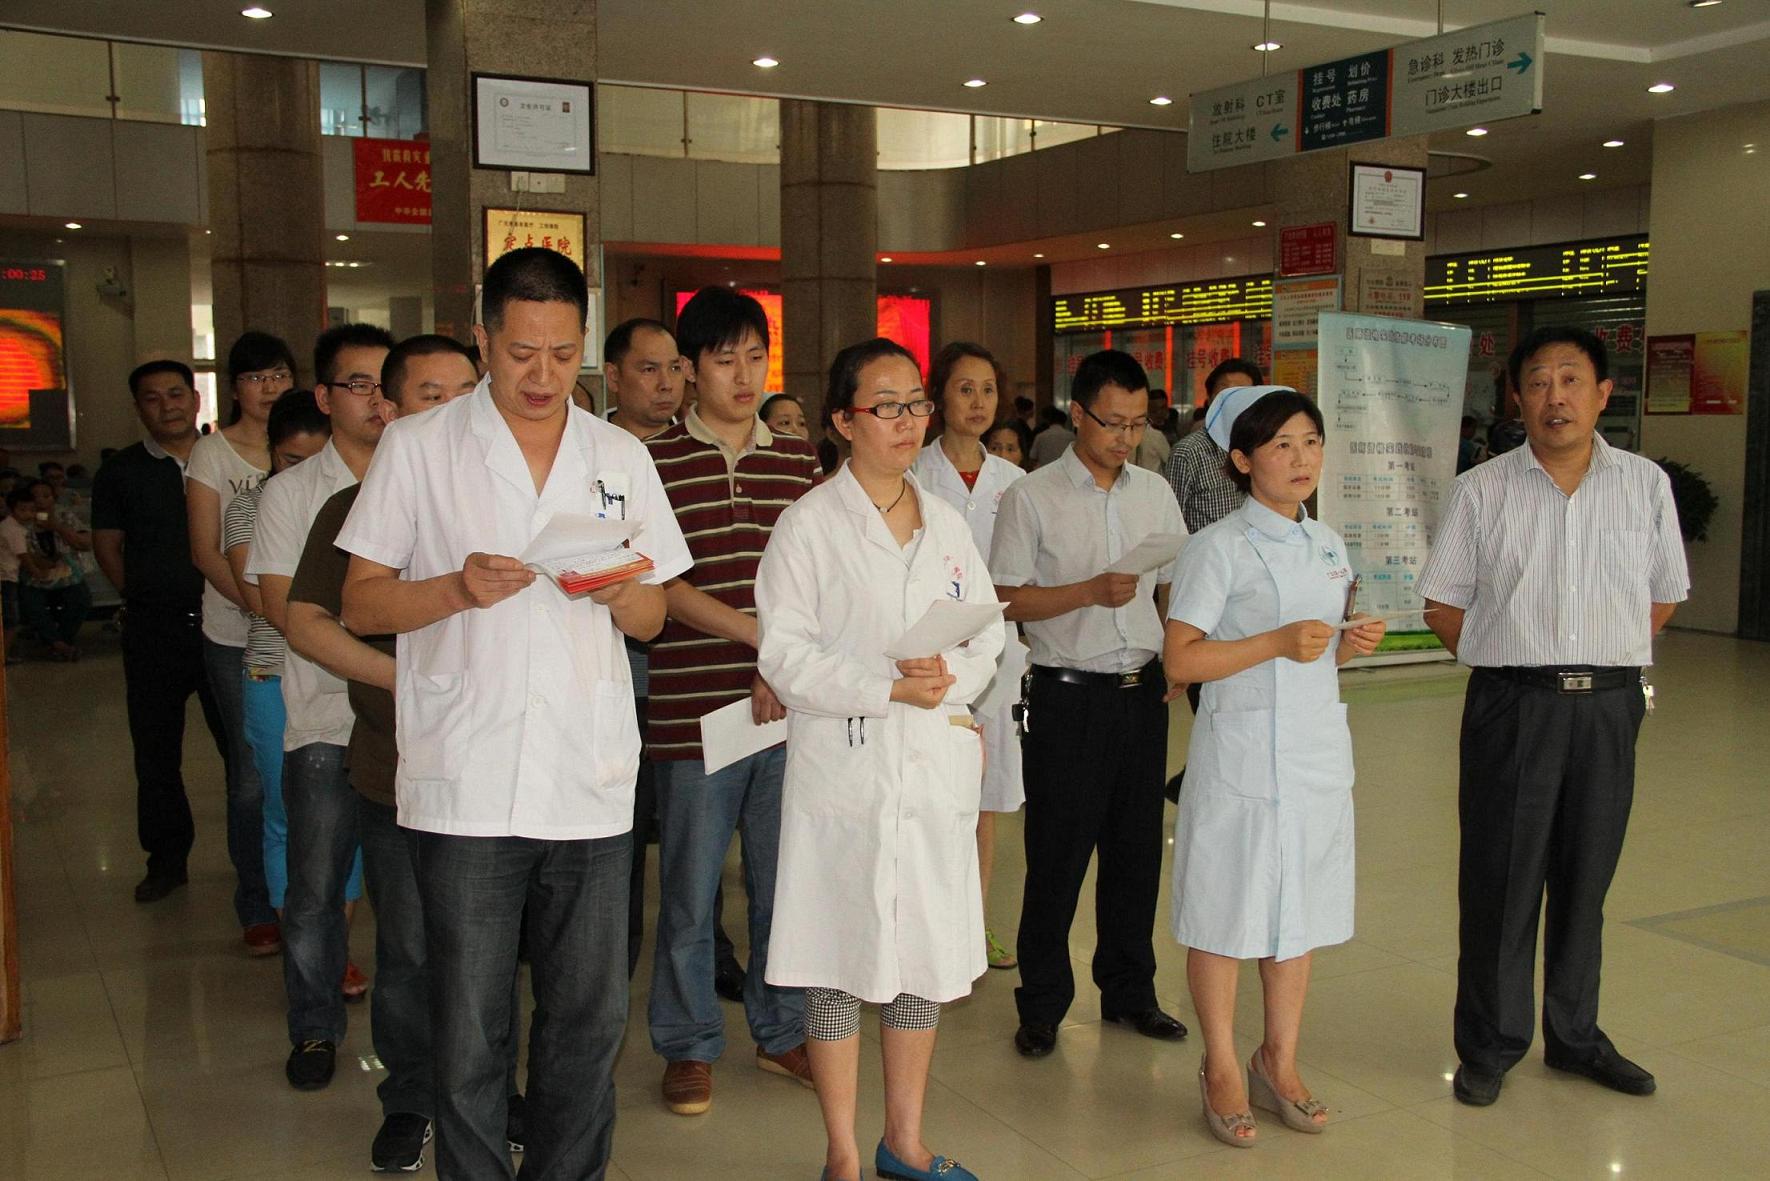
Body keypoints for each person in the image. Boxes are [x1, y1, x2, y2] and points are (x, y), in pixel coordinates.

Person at [337, 248, 692, 1179]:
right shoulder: (420, 447)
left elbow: (655, 613)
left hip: (588, 777)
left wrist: (618, 591)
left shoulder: (618, 455)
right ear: (483, 336)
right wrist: (455, 587)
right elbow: (362, 603)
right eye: (521, 352)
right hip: (470, 779)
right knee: (468, 1026)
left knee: (587, 1021)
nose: (542, 375)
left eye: (562, 354)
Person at [1418, 326, 1689, 1109]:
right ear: (1517, 396)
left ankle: (1575, 1034)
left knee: (1586, 875)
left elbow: (1663, 594)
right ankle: (1491, 1042)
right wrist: (1510, 657)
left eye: (1572, 380)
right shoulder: (1483, 489)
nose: (1555, 396)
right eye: (1538, 381)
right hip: (1514, 704)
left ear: (1603, 393)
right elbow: (1442, 602)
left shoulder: (1644, 484)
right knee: (1500, 880)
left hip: (1608, 705)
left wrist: (1603, 655)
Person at [756, 337, 1001, 1181]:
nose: (907, 420)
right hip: (846, 768)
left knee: (919, 956)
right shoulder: (808, 525)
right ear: (842, 420)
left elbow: (986, 631)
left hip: (930, 762)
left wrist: (948, 674)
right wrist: (884, 686)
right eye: (886, 406)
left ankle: (905, 1139)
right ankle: (844, 1152)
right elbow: (785, 655)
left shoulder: (948, 525)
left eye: (915, 403)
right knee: (835, 961)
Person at [284, 334, 520, 1172]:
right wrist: (405, 679)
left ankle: (496, 1093)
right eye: (431, 395)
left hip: (502, 767)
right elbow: (306, 620)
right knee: (414, 948)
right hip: (400, 766)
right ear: (389, 408)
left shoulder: (512, 500)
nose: (454, 410)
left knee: (496, 951)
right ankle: (415, 1095)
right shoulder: (358, 507)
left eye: (467, 391)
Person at [1161, 385, 1387, 1147]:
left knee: (1301, 910)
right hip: (1241, 761)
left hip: (1316, 755)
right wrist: (1274, 642)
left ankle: (1278, 1058)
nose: (1301, 458)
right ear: (1241, 459)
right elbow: (1180, 659)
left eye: (1311, 441)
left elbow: (1318, 656)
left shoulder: (1328, 543)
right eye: (1282, 444)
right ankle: (1222, 1064)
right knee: (1224, 910)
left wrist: (1348, 646)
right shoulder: (1216, 546)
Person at [644, 287, 818, 1117]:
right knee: (690, 889)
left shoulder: (800, 461)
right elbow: (661, 586)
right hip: (694, 711)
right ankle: (688, 1043)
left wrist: (781, 664)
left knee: (786, 883)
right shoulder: (651, 463)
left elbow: (818, 579)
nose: (744, 376)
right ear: (689, 369)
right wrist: (761, 643)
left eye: (756, 357)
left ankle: (781, 1030)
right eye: (724, 360)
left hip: (789, 712)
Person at [991, 348, 1190, 1060]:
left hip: (1142, 695)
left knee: (1136, 855)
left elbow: (1169, 584)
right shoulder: (1032, 496)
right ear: (1077, 414)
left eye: (1138, 424)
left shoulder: (1154, 492)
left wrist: (1174, 650)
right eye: (1113, 423)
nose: (1126, 438)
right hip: (1067, 696)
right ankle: (1043, 1004)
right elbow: (1004, 597)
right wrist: (1086, 592)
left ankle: (1130, 993)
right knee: (1057, 856)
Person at [242, 324, 394, 1090]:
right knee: (315, 887)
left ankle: (418, 1044)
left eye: (387, 384)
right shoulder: (291, 493)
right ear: (325, 397)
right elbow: (282, 606)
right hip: (329, 718)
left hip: (410, 726)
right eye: (359, 384)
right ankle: (313, 1026)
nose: (378, 400)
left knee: (412, 898)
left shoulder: (427, 481)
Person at [92, 361, 229, 901]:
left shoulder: (224, 456)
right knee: (155, 753)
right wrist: (144, 596)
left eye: (176, 394)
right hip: (156, 632)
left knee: (240, 751)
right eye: (153, 398)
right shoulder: (121, 471)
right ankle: (166, 861)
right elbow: (108, 546)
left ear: (195, 400)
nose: (167, 405)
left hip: (225, 624)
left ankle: (253, 861)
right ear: (138, 408)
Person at [912, 341, 1027, 971]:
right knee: (929, 796)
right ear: (938, 397)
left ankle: (972, 927)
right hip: (926, 659)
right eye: (964, 389)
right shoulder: (912, 473)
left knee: (985, 800)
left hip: (996, 659)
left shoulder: (1015, 482)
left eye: (987, 389)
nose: (978, 402)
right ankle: (920, 927)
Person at [221, 390, 341, 957]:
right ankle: (299, 942)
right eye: (292, 459)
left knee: (340, 825)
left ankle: (333, 950)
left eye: (317, 459)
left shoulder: (354, 498)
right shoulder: (251, 505)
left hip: (340, 676)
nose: (304, 472)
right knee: (283, 812)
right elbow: (262, 599)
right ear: (270, 452)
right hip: (274, 673)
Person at [186, 330, 292, 952]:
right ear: (234, 388)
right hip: (234, 635)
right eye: (255, 378)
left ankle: (304, 895)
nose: (268, 388)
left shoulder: (310, 444)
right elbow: (206, 551)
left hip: (304, 636)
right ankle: (256, 903)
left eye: (278, 374)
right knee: (251, 774)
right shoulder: (214, 453)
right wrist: (262, 609)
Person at [601, 315, 697, 983]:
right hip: (618, 678)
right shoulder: (588, 454)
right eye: (648, 369)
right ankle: (617, 961)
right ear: (613, 376)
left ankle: (706, 954)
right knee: (624, 833)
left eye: (674, 369)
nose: (666, 384)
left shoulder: (697, 453)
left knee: (695, 835)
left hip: (689, 674)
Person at [1160, 357, 1264, 802]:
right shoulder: (1189, 453)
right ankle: (1207, 786)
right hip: (1204, 603)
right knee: (1212, 708)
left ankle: (1210, 781)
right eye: (1227, 394)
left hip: (1255, 602)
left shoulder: (1267, 449)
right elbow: (1169, 527)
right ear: (1210, 400)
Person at [19, 477, 92, 659]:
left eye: (46, 496)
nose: (40, 501)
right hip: (35, 575)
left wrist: (56, 527)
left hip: (66, 573)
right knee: (30, 602)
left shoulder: (65, 516)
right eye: (35, 497)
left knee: (80, 598)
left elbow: (84, 544)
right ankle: (58, 644)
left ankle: (60, 643)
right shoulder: (21, 520)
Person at [1, 488, 27, 658]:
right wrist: (37, 571)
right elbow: (23, 555)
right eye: (23, 509)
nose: (28, 514)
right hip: (6, 578)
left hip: (6, 575)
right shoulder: (13, 529)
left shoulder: (6, 526)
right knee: (10, 620)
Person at [1132, 387, 1173, 473]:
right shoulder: (1155, 435)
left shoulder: (1170, 427)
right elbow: (1172, 463)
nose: (1160, 412)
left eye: (1163, 408)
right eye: (1154, 410)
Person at [1026, 405, 1074, 470]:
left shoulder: (1040, 436)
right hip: (1064, 470)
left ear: (1049, 421)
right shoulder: (1071, 436)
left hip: (1044, 471)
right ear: (1064, 422)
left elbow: (1032, 458)